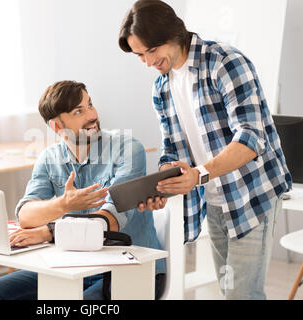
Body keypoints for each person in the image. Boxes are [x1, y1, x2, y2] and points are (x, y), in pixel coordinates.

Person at [118, 0, 292, 299]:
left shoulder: (224, 62)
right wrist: (164, 183)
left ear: (172, 34)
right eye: (139, 56)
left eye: (151, 51)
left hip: (251, 192)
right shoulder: (162, 86)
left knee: (242, 294)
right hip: (213, 196)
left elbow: (251, 137)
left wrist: (198, 174)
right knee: (229, 291)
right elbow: (172, 148)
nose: (147, 62)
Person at [0, 80, 166, 300]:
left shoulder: (127, 149)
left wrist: (48, 231)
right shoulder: (49, 159)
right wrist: (64, 204)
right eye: (79, 111)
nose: (92, 115)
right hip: (74, 266)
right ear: (57, 126)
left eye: (90, 104)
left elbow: (110, 221)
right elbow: (26, 217)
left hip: (130, 268)